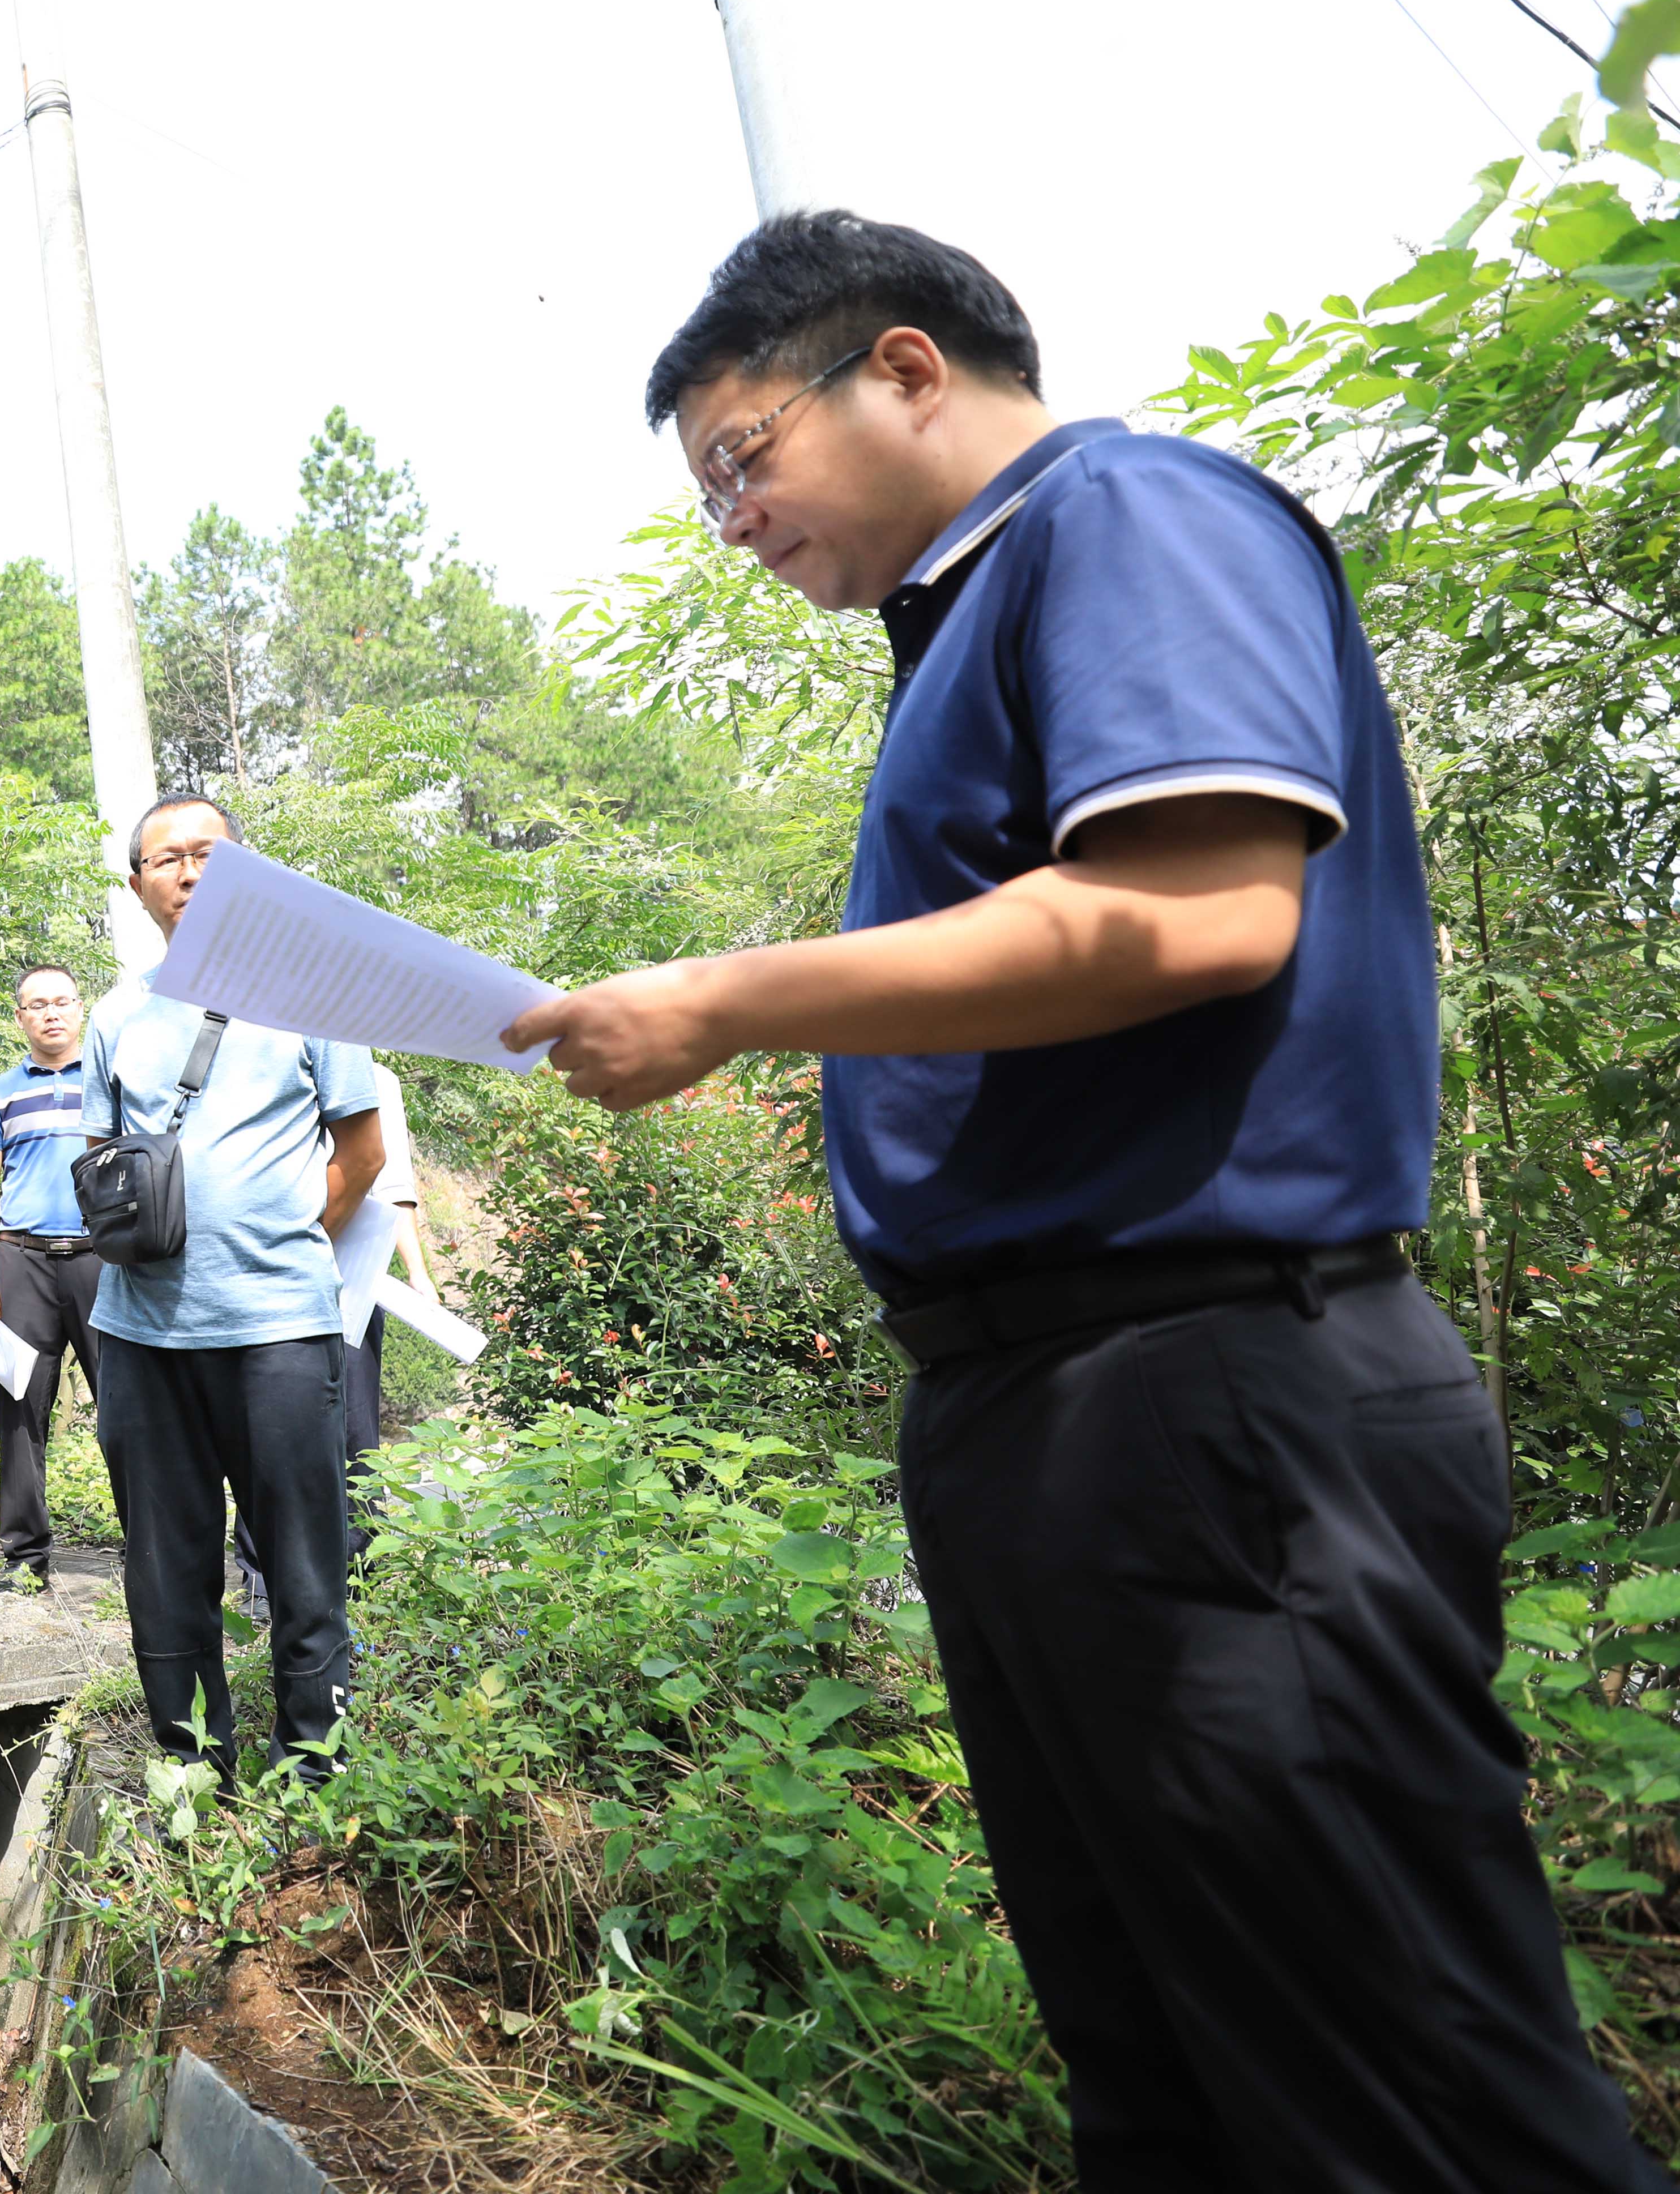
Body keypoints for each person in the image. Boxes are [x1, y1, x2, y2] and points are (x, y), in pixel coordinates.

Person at [506, 211, 1665, 2194]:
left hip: (1215, 1401)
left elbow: (1197, 909)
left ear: (904, 368)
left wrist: (722, 1001)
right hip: (1057, 1423)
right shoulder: (964, 625)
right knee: (1173, 2069)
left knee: (1407, 2087)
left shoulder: (1123, 518)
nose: (730, 518)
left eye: (741, 456)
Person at [87, 795, 382, 1771]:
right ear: (138, 889)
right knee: (166, 1569)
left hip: (278, 1330)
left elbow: (362, 1150)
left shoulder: (314, 992)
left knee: (304, 1557)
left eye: (210, 855)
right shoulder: (116, 1014)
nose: (190, 873)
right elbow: (107, 1161)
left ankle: (315, 1765)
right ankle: (192, 1770)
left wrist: (291, 1243)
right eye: (166, 860)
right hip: (139, 1336)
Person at [234, 1056, 429, 1620]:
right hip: (263, 1270)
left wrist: (418, 1275)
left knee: (353, 1426)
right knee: (263, 1419)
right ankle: (261, 1578)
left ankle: (360, 1572)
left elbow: (393, 1187)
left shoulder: (376, 1078)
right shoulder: (256, 1059)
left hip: (353, 1271)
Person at [0, 959, 102, 1586]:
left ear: (80, 1009)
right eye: (37, 1004)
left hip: (105, 1262)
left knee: (130, 1409)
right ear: (19, 1016)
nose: (51, 1013)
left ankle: (152, 1555)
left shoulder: (110, 1082)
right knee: (20, 1410)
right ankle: (25, 1561)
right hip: (20, 1262)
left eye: (62, 1001)